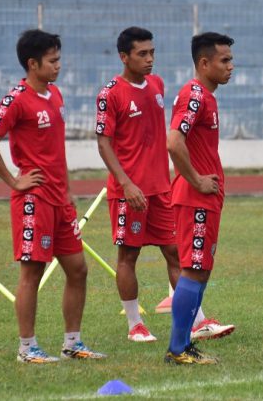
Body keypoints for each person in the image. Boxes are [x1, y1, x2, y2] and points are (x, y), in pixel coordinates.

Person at [96, 27, 234, 343]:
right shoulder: (110, 94)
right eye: (142, 54)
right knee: (128, 256)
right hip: (129, 190)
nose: (149, 59)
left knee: (177, 254)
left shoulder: (157, 85)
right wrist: (126, 183)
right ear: (124, 57)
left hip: (162, 187)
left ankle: (196, 323)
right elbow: (103, 143)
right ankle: (135, 325)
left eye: (152, 53)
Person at [0, 29, 106, 363]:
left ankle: (72, 343)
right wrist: (14, 181)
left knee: (78, 269)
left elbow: (55, 151)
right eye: (52, 61)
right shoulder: (17, 99)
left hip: (59, 200)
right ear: (32, 64)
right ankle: (27, 348)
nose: (58, 66)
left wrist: (67, 190)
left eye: (59, 59)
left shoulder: (56, 95)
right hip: (33, 200)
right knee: (31, 273)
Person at [164, 32, 234, 365]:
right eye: (224, 60)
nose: (231, 66)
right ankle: (177, 349)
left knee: (200, 270)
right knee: (192, 270)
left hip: (205, 200)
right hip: (194, 199)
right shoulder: (194, 95)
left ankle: (184, 344)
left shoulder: (206, 96)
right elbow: (174, 141)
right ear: (204, 63)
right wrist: (196, 180)